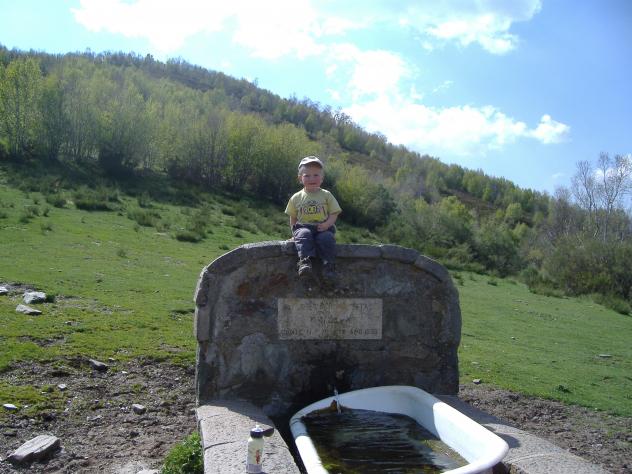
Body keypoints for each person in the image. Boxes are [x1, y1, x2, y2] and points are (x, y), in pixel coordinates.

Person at [285, 156, 342, 280]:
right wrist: (294, 234)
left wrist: (327, 224)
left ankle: (328, 266)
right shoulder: (296, 197)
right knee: (303, 235)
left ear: (322, 178)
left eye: (316, 175)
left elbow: (334, 213)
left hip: (323, 227)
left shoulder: (326, 195)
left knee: (327, 238)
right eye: (307, 175)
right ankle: (305, 262)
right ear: (300, 178)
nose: (312, 178)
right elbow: (293, 217)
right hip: (303, 226)